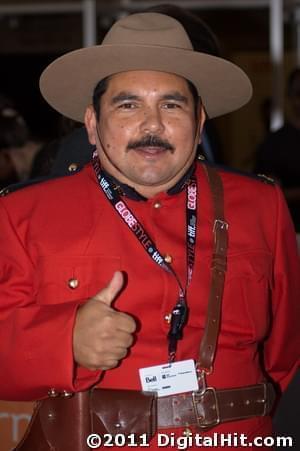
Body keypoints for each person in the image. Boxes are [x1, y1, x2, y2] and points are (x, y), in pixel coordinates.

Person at [0, 12, 299, 451]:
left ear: (198, 123)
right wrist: (66, 341)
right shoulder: (22, 214)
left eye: (172, 104)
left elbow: (285, 356)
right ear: (91, 124)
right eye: (128, 104)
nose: (152, 124)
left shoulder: (260, 206)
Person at [255, 68, 300, 232]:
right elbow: (267, 192)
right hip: (290, 230)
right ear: (290, 98)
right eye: (298, 94)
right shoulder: (274, 143)